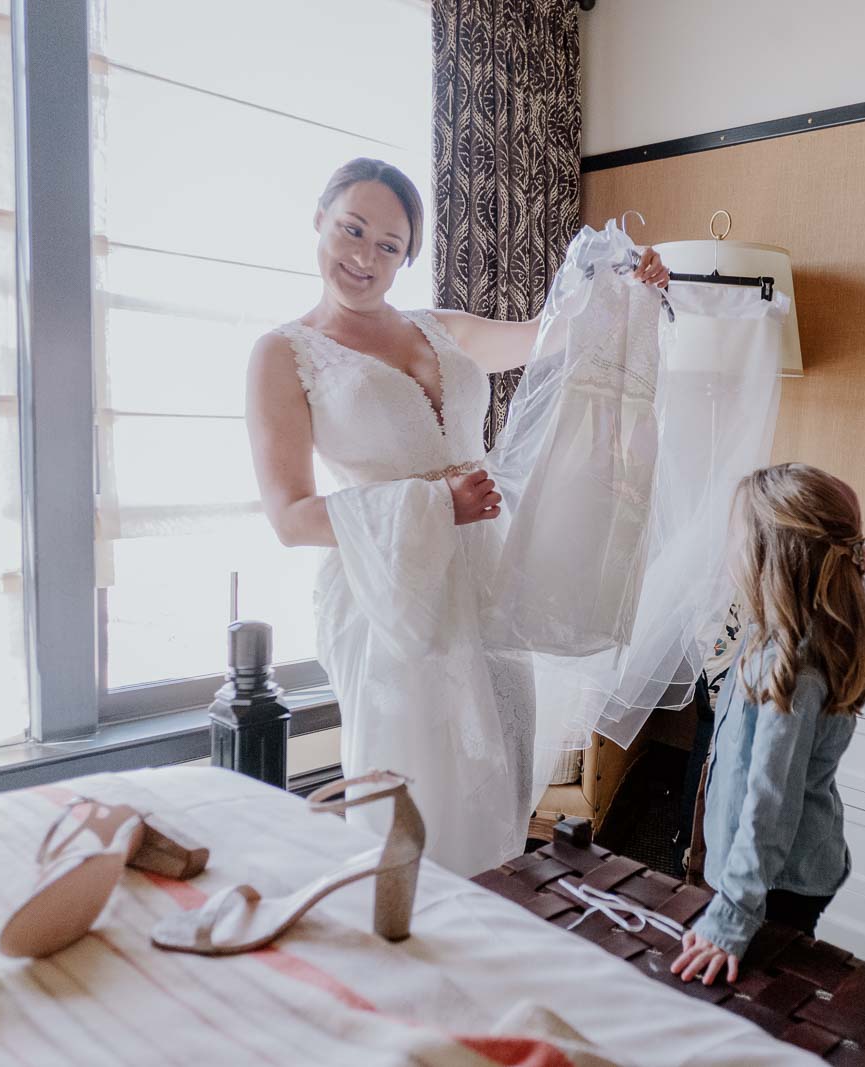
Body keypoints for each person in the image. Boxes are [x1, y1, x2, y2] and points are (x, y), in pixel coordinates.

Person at [246, 158, 668, 875]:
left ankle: (491, 934)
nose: (364, 256)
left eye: (389, 244)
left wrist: (623, 288)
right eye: (352, 229)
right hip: (392, 595)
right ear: (320, 220)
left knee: (499, 767)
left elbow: (549, 335)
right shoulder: (283, 354)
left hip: (489, 576)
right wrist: (439, 503)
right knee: (417, 787)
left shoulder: (437, 327)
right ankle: (407, 941)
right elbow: (290, 516)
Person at [670, 463, 865, 986]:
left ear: (773, 555)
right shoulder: (778, 636)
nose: (729, 550)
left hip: (772, 884)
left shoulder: (793, 667)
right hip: (771, 871)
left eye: (737, 537)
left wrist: (732, 916)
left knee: (762, 996)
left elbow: (771, 800)